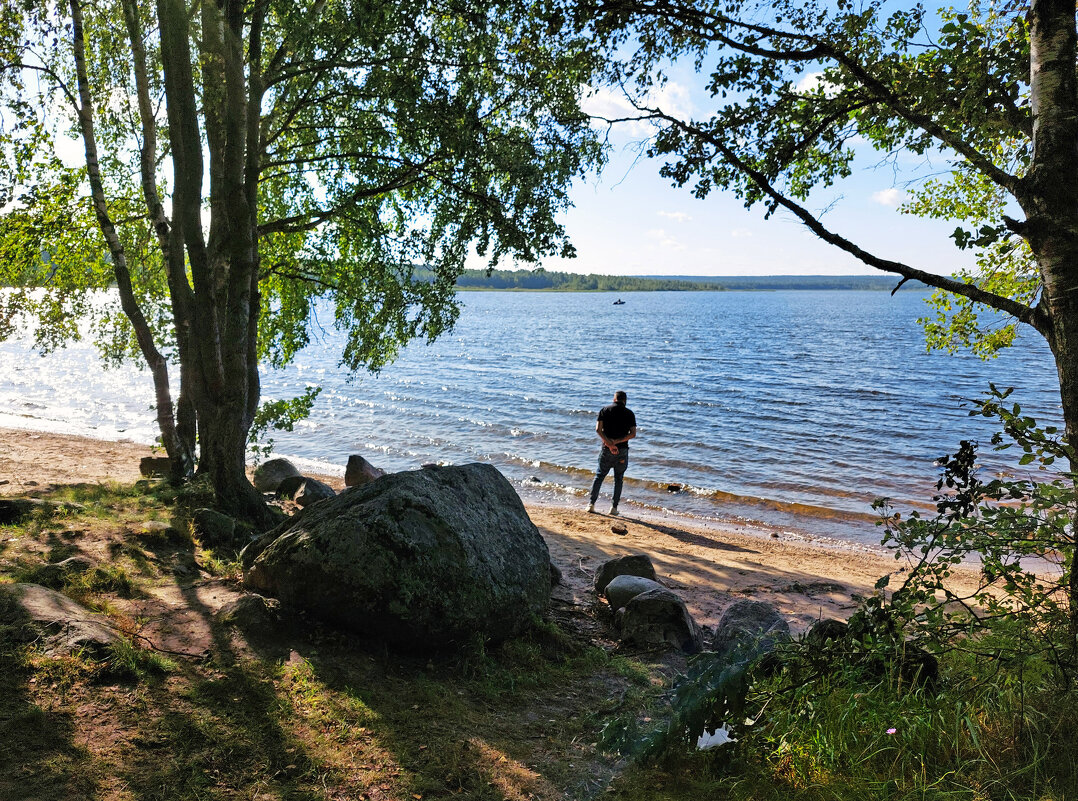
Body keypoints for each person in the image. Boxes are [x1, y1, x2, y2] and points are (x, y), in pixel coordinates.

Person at [587, 390, 637, 516]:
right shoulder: (629, 413)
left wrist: (609, 443)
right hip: (622, 451)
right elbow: (633, 434)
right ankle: (613, 508)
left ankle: (591, 505)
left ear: (614, 399)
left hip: (606, 449)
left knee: (599, 476)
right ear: (625, 401)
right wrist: (617, 441)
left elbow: (598, 430)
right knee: (618, 479)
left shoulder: (604, 410)